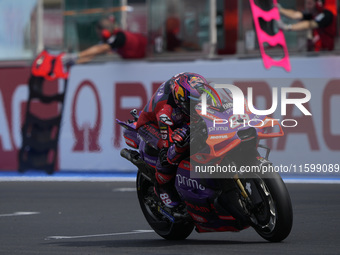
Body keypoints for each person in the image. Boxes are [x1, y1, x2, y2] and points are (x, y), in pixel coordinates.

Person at [136, 72, 208, 208]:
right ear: (180, 99)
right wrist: (175, 145)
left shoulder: (197, 88)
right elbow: (169, 146)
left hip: (179, 118)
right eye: (192, 103)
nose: (197, 107)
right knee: (170, 152)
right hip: (150, 125)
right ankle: (162, 189)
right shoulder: (165, 111)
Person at [63, 15, 147, 65]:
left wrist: (76, 56)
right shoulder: (110, 40)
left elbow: (101, 48)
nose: (99, 36)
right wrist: (75, 62)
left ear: (104, 31)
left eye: (99, 33)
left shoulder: (120, 37)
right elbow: (93, 55)